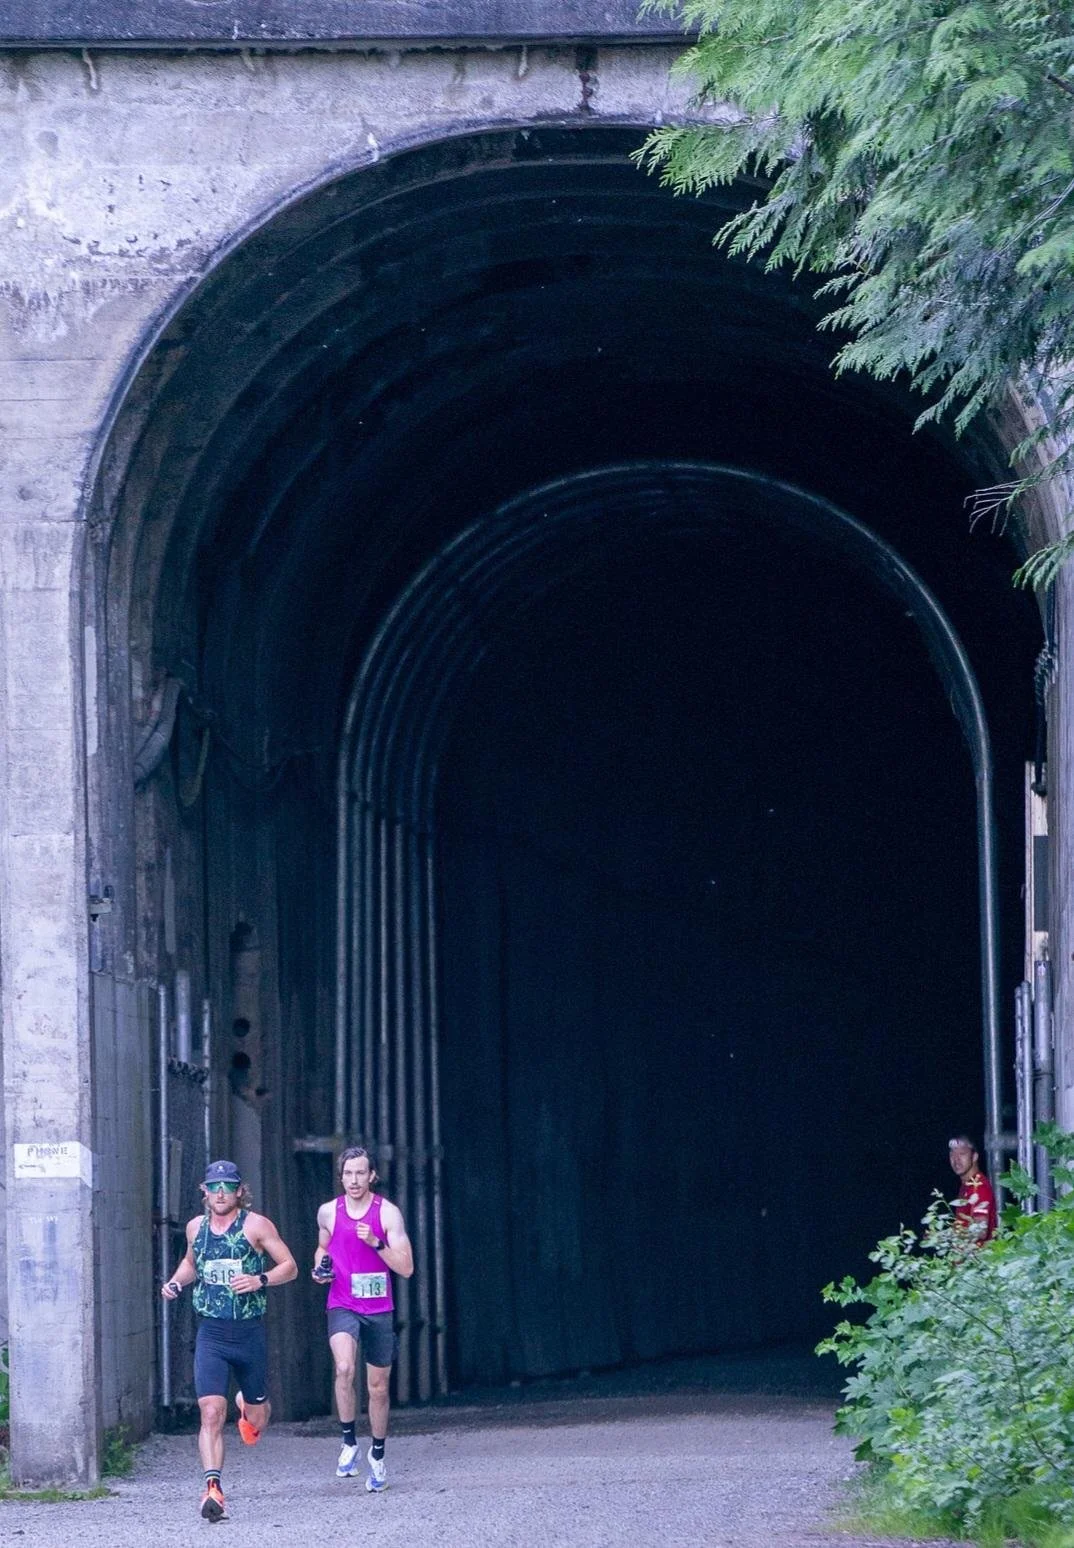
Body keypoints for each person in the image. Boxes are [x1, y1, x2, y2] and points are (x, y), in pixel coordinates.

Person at [162, 1159, 298, 1522]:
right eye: (214, 1187)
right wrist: (177, 1282)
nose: (220, 1193)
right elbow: (192, 1264)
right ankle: (213, 1489)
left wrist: (261, 1280)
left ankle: (248, 1403)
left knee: (257, 1421)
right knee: (209, 1412)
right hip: (212, 1332)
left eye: (228, 1187)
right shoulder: (196, 1228)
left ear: (239, 1191)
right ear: (204, 1192)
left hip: (248, 1331)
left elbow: (290, 1266)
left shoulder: (255, 1225)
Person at [312, 1144, 414, 1489]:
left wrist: (376, 1243)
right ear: (340, 1177)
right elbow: (323, 1247)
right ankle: (348, 1441)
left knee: (378, 1388)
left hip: (378, 1307)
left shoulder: (387, 1214)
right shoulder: (328, 1212)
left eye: (360, 1173)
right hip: (342, 1301)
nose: (354, 1180)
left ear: (372, 1176)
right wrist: (320, 1267)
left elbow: (407, 1268)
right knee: (343, 1367)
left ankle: (378, 1456)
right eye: (348, 1173)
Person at [948, 1134, 997, 1244]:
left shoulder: (979, 1186)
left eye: (962, 1154)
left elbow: (980, 1231)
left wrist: (944, 1236)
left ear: (974, 1156)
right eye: (952, 1155)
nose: (956, 1160)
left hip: (977, 1259)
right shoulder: (966, 1186)